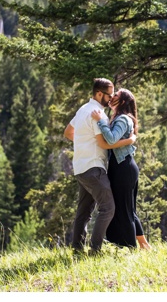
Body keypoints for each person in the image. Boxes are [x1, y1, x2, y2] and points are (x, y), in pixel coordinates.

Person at [64, 78, 135, 254]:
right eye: (109, 95)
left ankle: (77, 249)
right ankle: (95, 250)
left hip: (80, 166)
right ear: (99, 94)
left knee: (84, 211)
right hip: (94, 167)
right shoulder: (98, 114)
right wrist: (130, 140)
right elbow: (105, 143)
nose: (111, 99)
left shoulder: (82, 110)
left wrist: (83, 143)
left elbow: (68, 132)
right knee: (108, 208)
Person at [91, 88, 151, 250]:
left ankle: (130, 248)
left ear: (122, 101)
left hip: (123, 168)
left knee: (124, 209)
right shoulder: (119, 118)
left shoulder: (123, 119)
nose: (111, 97)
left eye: (115, 95)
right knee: (128, 209)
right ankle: (144, 246)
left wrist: (99, 121)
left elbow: (111, 139)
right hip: (122, 167)